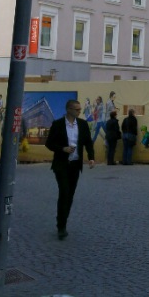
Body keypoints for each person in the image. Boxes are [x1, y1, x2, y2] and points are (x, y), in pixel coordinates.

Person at [45, 98, 95, 239]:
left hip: (75, 165)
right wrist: (63, 149)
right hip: (61, 164)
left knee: (70, 196)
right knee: (64, 192)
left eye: (80, 109)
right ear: (69, 110)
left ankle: (63, 221)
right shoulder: (58, 124)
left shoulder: (83, 125)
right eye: (77, 109)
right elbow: (49, 144)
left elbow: (88, 143)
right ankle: (61, 226)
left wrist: (91, 158)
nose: (80, 111)